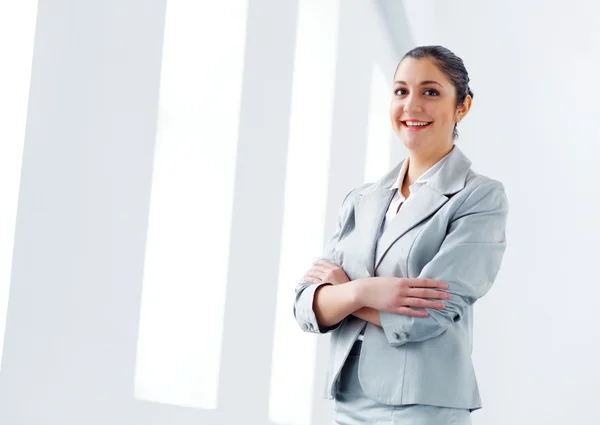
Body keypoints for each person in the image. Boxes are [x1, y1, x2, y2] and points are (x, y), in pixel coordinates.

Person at [293, 45, 509, 425]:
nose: (411, 105)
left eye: (430, 91)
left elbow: (428, 315)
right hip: (347, 400)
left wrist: (344, 293)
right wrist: (364, 292)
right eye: (401, 91)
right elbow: (306, 305)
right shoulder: (362, 198)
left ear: (463, 107)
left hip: (422, 405)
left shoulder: (479, 196)